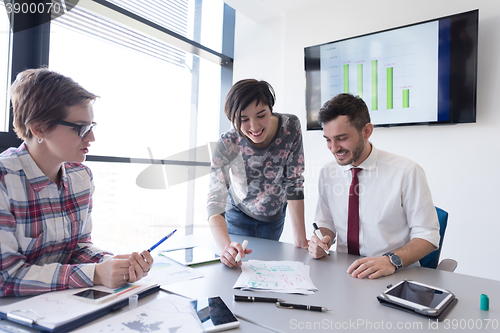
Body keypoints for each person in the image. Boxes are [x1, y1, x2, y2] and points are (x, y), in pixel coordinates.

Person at [0, 68, 153, 297]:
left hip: (60, 306)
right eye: (81, 128)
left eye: (91, 127)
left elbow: (78, 249)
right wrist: (95, 274)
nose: (91, 138)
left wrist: (114, 264)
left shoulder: (81, 176)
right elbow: (6, 278)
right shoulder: (4, 179)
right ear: (39, 127)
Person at [308, 93, 440, 279]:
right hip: (346, 274)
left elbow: (428, 236)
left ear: (367, 131)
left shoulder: (407, 172)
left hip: (395, 275)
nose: (333, 148)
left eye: (342, 138)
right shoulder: (327, 172)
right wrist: (321, 241)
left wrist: (390, 260)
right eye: (328, 139)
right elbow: (325, 223)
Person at [207, 79, 307, 267]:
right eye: (244, 120)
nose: (254, 126)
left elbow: (294, 182)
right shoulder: (228, 142)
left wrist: (301, 241)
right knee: (234, 269)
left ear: (271, 108)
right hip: (237, 214)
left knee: (264, 271)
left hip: (273, 216)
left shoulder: (290, 127)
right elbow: (215, 201)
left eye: (261, 115)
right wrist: (225, 248)